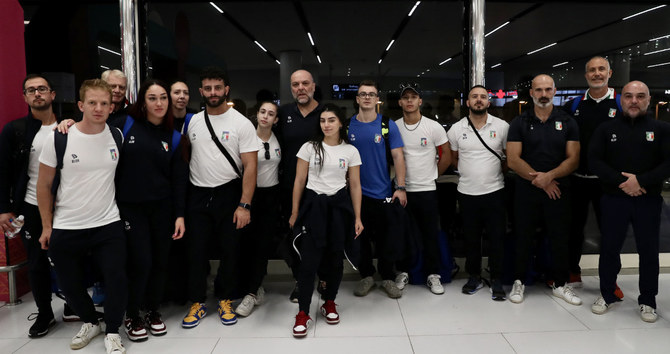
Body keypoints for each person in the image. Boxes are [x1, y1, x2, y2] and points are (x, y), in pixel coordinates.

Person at [37, 79, 127, 353]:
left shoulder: (117, 136)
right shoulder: (60, 137)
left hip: (108, 223)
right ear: (80, 105)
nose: (98, 108)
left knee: (116, 279)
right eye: (92, 103)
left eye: (104, 103)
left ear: (111, 107)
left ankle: (112, 330)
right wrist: (46, 226)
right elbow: (43, 185)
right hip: (67, 224)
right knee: (69, 285)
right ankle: (91, 321)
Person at [181, 66, 257, 328]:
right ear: (201, 91)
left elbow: (251, 167)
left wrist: (244, 204)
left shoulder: (241, 123)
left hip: (230, 192)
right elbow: (186, 155)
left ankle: (226, 298)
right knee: (196, 251)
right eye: (208, 88)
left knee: (230, 249)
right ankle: (197, 302)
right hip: (198, 193)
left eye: (218, 88)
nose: (213, 93)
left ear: (226, 90)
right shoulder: (192, 121)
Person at [588, 80, 670, 322]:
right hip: (614, 198)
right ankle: (607, 294)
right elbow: (594, 160)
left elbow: (668, 163)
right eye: (629, 96)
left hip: (648, 200)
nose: (634, 101)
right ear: (621, 100)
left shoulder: (662, 129)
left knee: (648, 251)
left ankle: (648, 300)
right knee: (610, 248)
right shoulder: (606, 129)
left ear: (648, 100)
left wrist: (641, 181)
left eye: (640, 96)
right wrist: (622, 182)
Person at [115, 79, 188, 341]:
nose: (159, 103)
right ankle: (132, 314)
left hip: (163, 210)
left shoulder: (175, 137)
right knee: (141, 262)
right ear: (143, 102)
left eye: (163, 98)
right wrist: (67, 124)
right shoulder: (125, 125)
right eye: (152, 98)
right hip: (130, 209)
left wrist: (180, 215)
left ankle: (152, 311)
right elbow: (90, 129)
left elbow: (179, 180)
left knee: (160, 262)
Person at [506, 74, 582, 306]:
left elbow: (574, 159)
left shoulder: (567, 121)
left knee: (560, 237)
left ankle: (560, 284)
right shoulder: (519, 122)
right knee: (523, 236)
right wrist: (540, 180)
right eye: (539, 90)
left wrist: (550, 177)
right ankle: (519, 281)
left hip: (558, 189)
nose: (543, 94)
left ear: (555, 91)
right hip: (527, 189)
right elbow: (512, 159)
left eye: (548, 89)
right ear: (531, 93)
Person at [289, 104, 363, 338]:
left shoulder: (350, 151)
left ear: (341, 123)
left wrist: (358, 216)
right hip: (314, 207)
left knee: (334, 259)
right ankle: (302, 312)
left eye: (331, 120)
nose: (326, 124)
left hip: (339, 207)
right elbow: (299, 180)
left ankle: (329, 301)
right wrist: (294, 212)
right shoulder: (310, 147)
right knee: (309, 261)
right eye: (322, 120)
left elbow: (354, 185)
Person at [0, 74, 60, 337]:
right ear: (24, 96)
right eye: (31, 90)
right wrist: (3, 208)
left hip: (67, 205)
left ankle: (72, 305)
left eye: (42, 89)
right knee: (36, 262)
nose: (37, 94)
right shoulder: (14, 131)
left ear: (52, 94)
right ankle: (45, 313)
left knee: (70, 258)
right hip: (31, 205)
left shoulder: (70, 126)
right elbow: (2, 171)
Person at [563, 56, 622, 292]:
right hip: (577, 180)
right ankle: (572, 272)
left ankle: (610, 281)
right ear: (586, 75)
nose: (596, 73)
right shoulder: (574, 105)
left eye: (601, 69)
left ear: (610, 73)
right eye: (591, 70)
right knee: (573, 230)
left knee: (609, 234)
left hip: (608, 183)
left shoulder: (621, 104)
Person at [446, 85, 509, 300]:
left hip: (495, 191)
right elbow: (454, 159)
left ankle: (497, 278)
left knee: (496, 237)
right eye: (475, 97)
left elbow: (509, 158)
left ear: (489, 102)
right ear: (468, 102)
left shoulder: (502, 127)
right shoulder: (456, 129)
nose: (479, 100)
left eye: (483, 97)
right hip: (467, 192)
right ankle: (474, 276)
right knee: (471, 238)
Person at [347, 80, 408, 298]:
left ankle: (388, 277)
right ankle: (366, 276)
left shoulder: (386, 124)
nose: (366, 97)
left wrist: (400, 187)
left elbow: (398, 156)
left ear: (376, 99)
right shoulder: (347, 126)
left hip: (383, 193)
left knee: (387, 239)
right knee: (360, 238)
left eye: (371, 94)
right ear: (357, 99)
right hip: (356, 195)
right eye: (362, 94)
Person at [395, 83, 450, 295]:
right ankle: (403, 271)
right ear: (400, 102)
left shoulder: (433, 126)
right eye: (405, 97)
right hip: (402, 189)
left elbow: (446, 154)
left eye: (413, 97)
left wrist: (433, 174)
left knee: (430, 233)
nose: (409, 100)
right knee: (403, 233)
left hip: (427, 189)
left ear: (420, 101)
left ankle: (433, 275)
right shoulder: (394, 126)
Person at [275, 69, 324, 302]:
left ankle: (323, 278)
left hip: (321, 188)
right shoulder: (283, 113)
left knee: (320, 234)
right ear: (291, 88)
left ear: (313, 86)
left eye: (305, 83)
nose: (300, 88)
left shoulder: (326, 113)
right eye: (296, 84)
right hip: (289, 188)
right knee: (293, 236)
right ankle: (300, 280)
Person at [235, 101, 281, 317]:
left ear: (276, 120)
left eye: (270, 114)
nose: (265, 116)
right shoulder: (247, 138)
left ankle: (252, 291)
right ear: (257, 115)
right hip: (249, 197)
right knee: (247, 244)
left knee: (263, 245)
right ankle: (250, 287)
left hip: (271, 197)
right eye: (262, 112)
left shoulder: (278, 140)